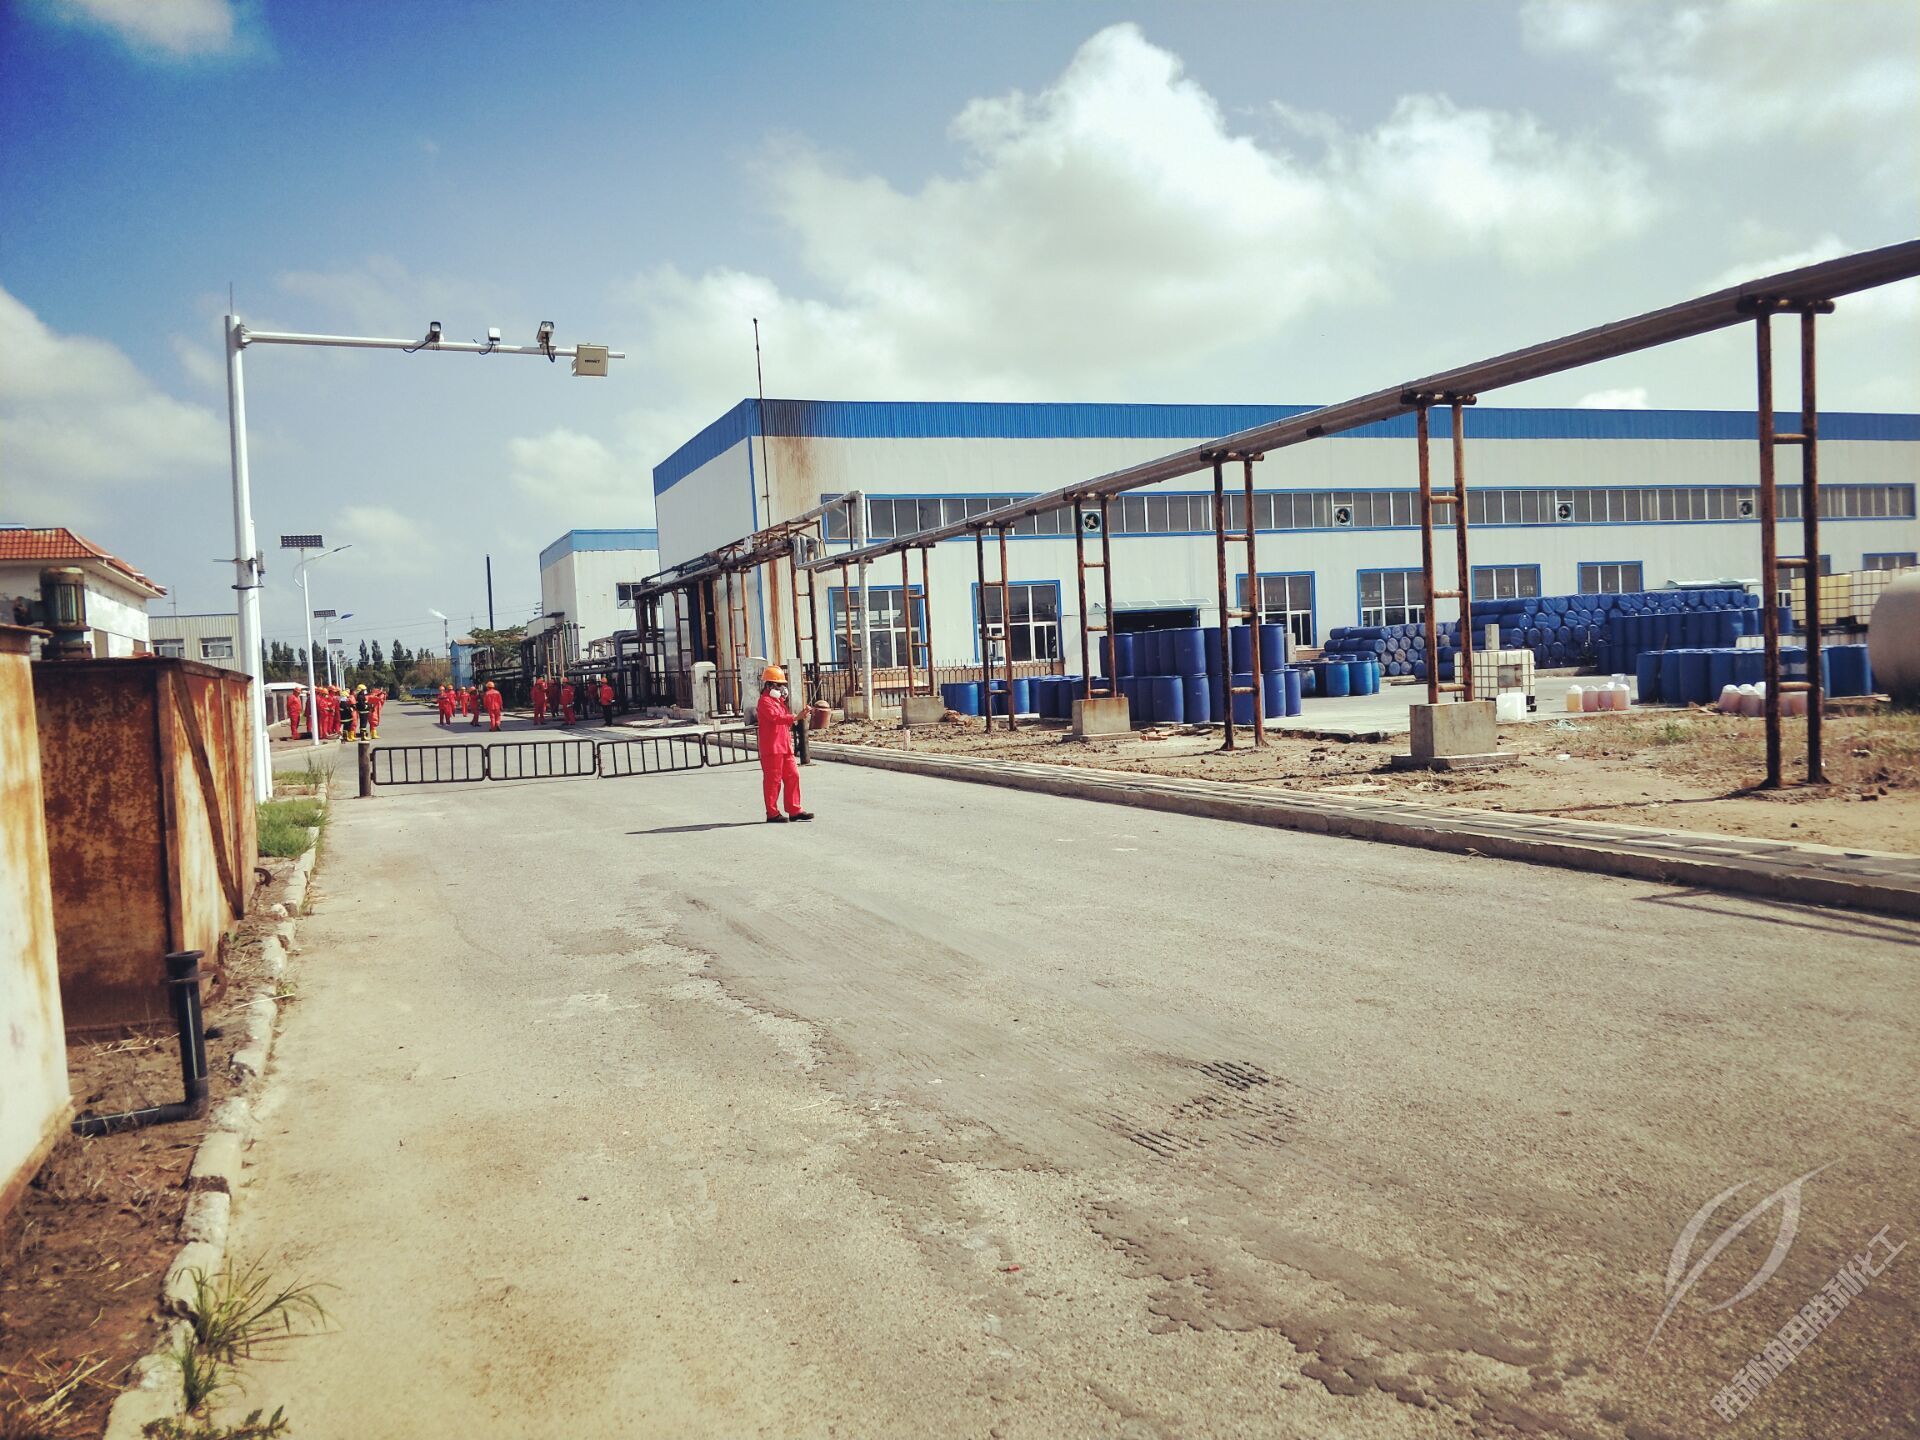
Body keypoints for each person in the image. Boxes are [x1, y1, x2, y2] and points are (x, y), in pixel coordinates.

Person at [755, 665, 812, 823]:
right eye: (779, 685)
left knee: (793, 775)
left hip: (784, 746)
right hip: (772, 748)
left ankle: (794, 810)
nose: (782, 688)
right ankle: (772, 813)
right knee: (773, 781)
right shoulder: (764, 702)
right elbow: (776, 718)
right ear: (769, 685)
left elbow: (783, 721)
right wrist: (796, 717)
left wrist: (797, 715)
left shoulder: (778, 702)